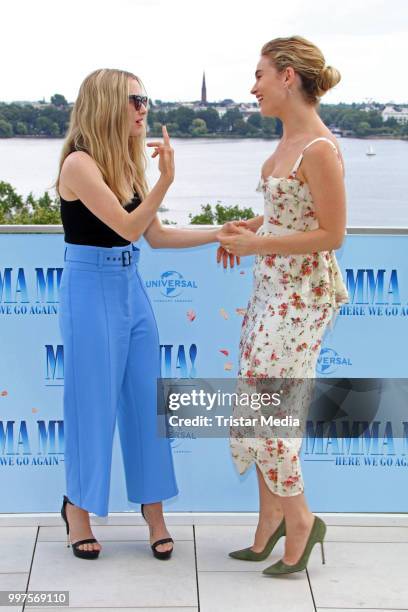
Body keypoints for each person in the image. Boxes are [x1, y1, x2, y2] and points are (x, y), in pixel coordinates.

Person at [57, 68, 223, 560]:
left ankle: (155, 513)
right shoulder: (79, 164)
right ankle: (78, 512)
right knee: (91, 406)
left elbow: (157, 237)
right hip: (90, 289)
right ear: (107, 103)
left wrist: (225, 231)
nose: (143, 107)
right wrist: (168, 180)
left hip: (131, 286)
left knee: (146, 406)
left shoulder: (128, 165)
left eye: (145, 98)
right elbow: (129, 227)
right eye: (134, 99)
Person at [216, 35, 349, 576]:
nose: (253, 87)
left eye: (260, 74)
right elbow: (289, 216)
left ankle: (300, 519)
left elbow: (333, 234)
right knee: (254, 408)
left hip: (302, 297)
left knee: (269, 413)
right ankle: (269, 518)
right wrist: (246, 230)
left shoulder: (319, 148)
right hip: (270, 290)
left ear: (288, 76)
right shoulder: (285, 144)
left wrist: (259, 244)